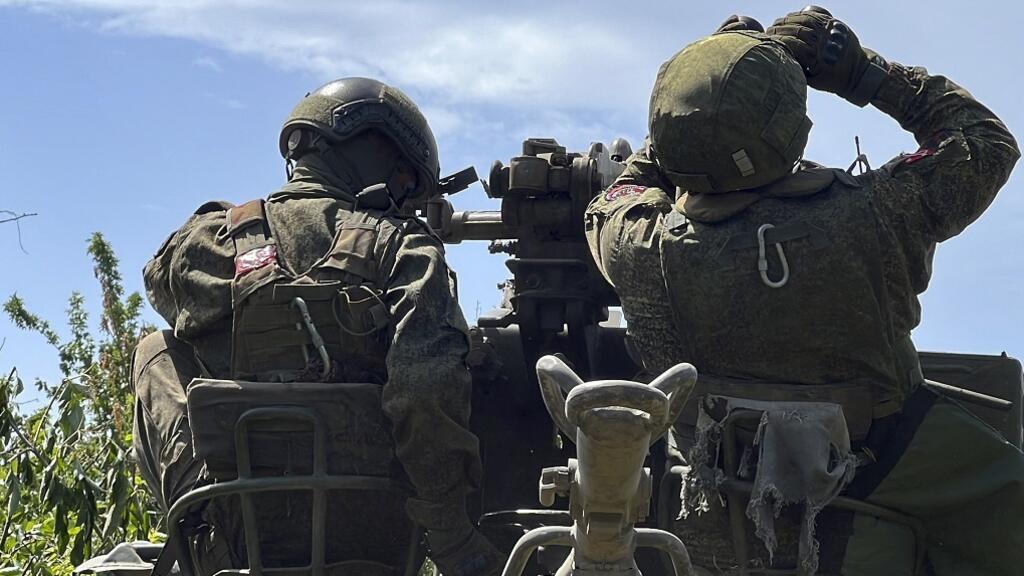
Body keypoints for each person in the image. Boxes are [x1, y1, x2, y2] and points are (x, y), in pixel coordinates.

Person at [585, 7, 1022, 576]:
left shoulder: (639, 243)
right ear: (790, 128)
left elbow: (623, 189)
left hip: (716, 486)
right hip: (880, 467)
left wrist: (701, 109)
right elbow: (985, 141)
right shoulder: (879, 212)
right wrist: (861, 72)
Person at [133, 77, 503, 575]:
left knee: (156, 353)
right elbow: (425, 384)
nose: (404, 199)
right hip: (378, 543)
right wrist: (449, 531)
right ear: (373, 154)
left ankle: (197, 521)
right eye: (405, 181)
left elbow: (160, 285)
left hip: (237, 545)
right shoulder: (403, 247)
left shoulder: (210, 240)